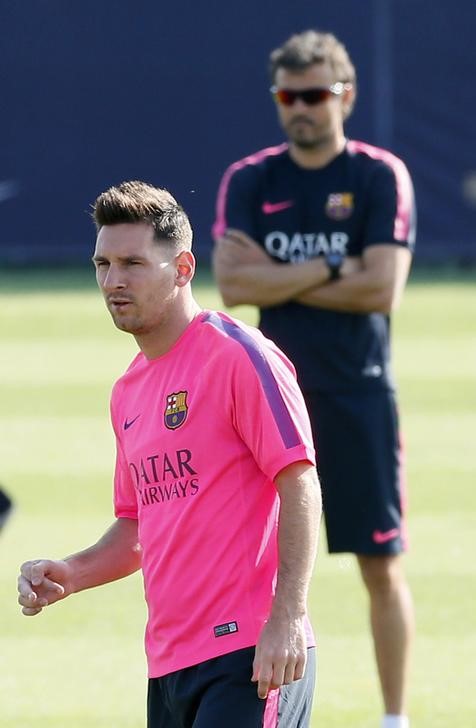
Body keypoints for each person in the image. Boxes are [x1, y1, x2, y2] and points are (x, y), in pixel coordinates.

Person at [17, 180, 321, 728]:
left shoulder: (239, 356)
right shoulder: (128, 390)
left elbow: (298, 481)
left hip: (250, 654)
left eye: (132, 262)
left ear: (182, 268)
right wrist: (72, 571)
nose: (113, 281)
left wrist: (288, 616)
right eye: (102, 264)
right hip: (170, 664)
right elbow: (139, 524)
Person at [212, 29, 416, 728]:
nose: (301, 107)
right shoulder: (251, 178)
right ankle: (255, 706)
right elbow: (233, 283)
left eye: (315, 94)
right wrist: (336, 268)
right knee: (254, 571)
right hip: (268, 399)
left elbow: (383, 289)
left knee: (380, 565)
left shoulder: (377, 176)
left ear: (346, 96)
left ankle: (394, 718)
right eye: (288, 95)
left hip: (357, 389)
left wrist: (287, 278)